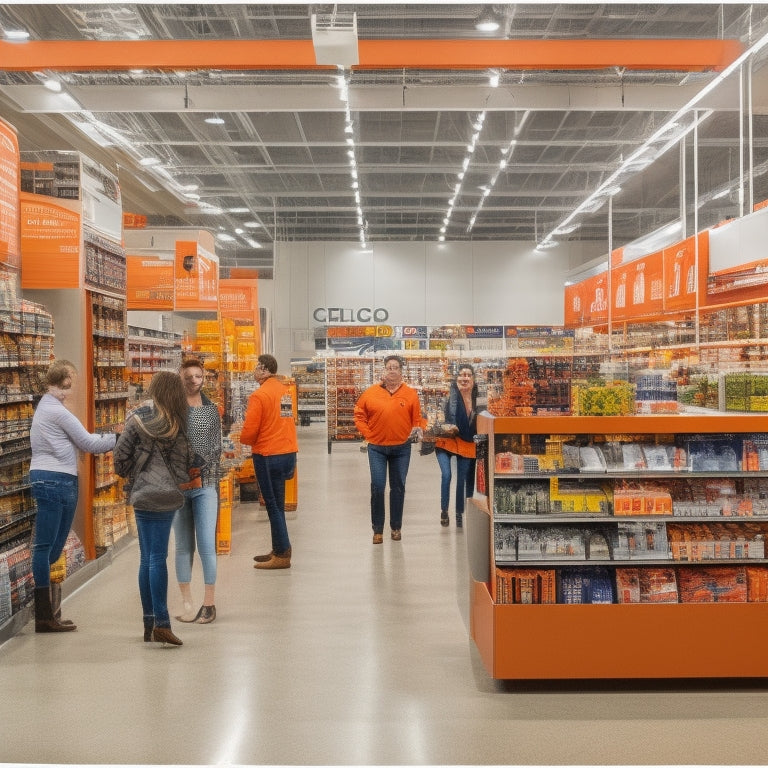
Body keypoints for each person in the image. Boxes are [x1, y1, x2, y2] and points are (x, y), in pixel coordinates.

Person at [29, 360, 117, 633]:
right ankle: (44, 616)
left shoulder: (47, 405)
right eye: (72, 381)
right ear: (66, 381)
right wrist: (120, 437)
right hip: (55, 480)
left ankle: (49, 612)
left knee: (51, 547)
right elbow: (89, 443)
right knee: (46, 547)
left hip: (53, 478)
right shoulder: (57, 411)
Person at [114, 371, 199, 647]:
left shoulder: (138, 419)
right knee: (157, 558)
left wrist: (137, 473)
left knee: (147, 558)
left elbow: (119, 458)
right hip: (167, 496)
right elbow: (188, 464)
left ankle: (149, 622)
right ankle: (162, 624)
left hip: (143, 494)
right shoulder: (181, 422)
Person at [353, 355, 425, 544]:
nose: (392, 370)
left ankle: (396, 527)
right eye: (388, 367)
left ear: (401, 372)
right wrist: (368, 434)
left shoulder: (410, 394)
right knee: (377, 487)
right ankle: (377, 530)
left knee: (398, 487)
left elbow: (417, 418)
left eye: (395, 367)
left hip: (402, 448)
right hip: (376, 448)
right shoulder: (370, 393)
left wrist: (419, 429)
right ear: (383, 371)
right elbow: (359, 415)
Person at [173, 358, 222, 624]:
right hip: (178, 486)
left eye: (198, 377)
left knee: (206, 545)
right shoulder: (171, 409)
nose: (193, 381)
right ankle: (187, 604)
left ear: (204, 379)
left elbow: (216, 447)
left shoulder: (210, 409)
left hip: (205, 484)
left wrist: (198, 467)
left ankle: (209, 603)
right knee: (182, 547)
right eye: (188, 376)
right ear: (179, 378)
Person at [241, 354, 298, 570]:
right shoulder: (284, 391)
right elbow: (286, 420)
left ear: (264, 370)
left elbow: (250, 430)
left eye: (256, 367)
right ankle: (279, 547)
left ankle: (282, 554)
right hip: (287, 452)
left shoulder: (259, 395)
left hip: (268, 454)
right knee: (278, 504)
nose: (254, 371)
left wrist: (242, 439)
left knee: (272, 505)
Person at [433, 364, 478, 529]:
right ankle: (444, 510)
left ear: (473, 379)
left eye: (468, 375)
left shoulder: (478, 399)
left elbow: (481, 421)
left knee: (463, 479)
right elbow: (437, 418)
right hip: (446, 441)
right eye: (461, 375)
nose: (464, 378)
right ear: (456, 378)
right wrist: (445, 425)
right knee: (446, 475)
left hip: (465, 443)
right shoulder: (448, 398)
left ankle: (460, 514)